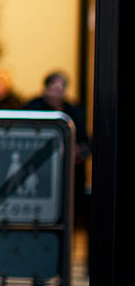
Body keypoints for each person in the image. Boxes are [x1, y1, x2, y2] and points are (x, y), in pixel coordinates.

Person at [24, 70, 91, 226]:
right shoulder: (33, 108)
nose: (56, 94)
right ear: (45, 89)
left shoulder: (74, 112)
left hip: (68, 174)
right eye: (53, 88)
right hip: (42, 171)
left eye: (60, 89)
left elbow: (85, 143)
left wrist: (78, 151)